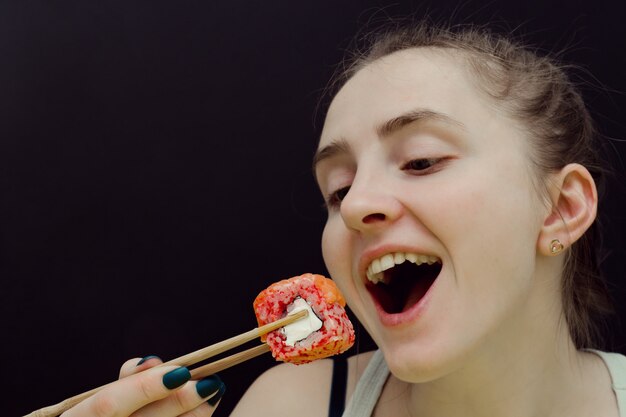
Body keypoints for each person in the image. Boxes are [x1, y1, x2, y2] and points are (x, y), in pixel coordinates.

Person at [59, 21, 624, 417]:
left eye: (421, 160)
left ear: (561, 208)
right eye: (338, 189)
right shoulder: (287, 407)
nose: (355, 206)